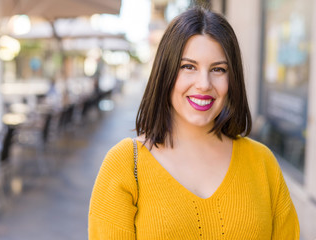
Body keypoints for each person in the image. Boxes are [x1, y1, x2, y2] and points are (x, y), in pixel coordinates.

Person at [88, 6, 299, 239]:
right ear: (165, 72)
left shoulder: (263, 164)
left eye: (218, 69)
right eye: (188, 67)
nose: (204, 84)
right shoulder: (125, 165)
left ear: (232, 79)